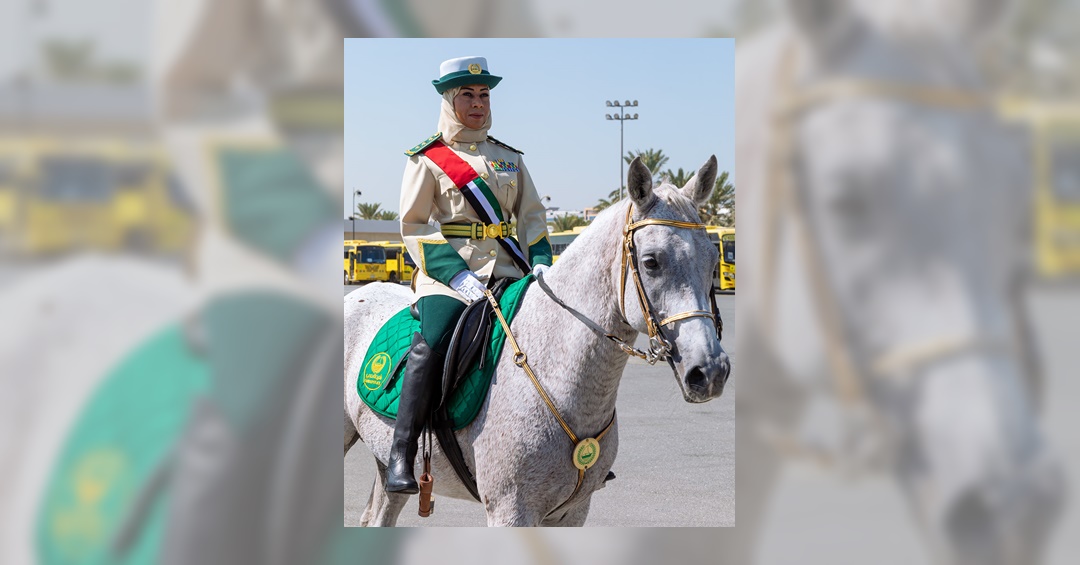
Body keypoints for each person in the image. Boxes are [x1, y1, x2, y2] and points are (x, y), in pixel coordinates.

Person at [390, 56, 552, 493]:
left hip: (509, 269)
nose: (478, 103)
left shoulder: (509, 157)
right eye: (467, 94)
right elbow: (414, 225)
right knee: (435, 339)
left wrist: (540, 263)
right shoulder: (426, 160)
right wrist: (457, 276)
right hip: (449, 277)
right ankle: (400, 454)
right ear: (449, 99)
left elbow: (532, 218)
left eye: (483, 94)